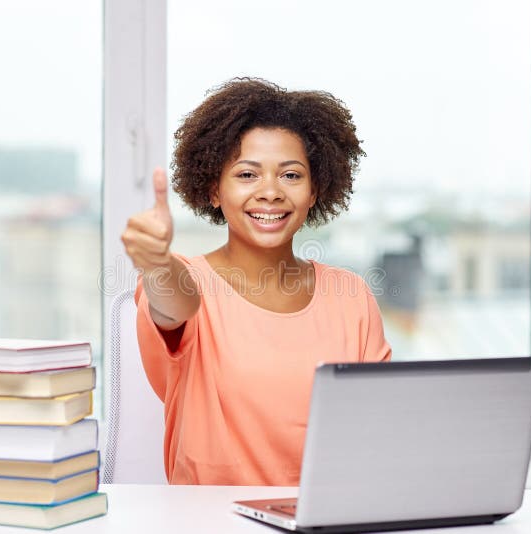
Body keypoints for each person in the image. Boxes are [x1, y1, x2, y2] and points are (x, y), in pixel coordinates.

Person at [121, 78, 392, 486]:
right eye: (247, 174)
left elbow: (379, 431)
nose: (270, 192)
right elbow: (174, 303)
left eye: (291, 175)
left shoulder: (351, 296)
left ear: (315, 189)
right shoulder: (187, 281)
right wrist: (158, 263)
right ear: (214, 189)